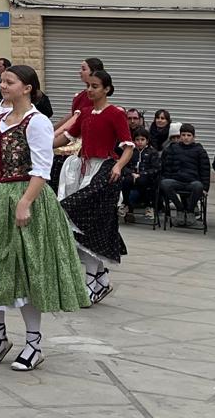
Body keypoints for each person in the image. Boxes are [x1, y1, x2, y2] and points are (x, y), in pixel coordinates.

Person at [0, 64, 87, 374]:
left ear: (27, 88)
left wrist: (25, 202)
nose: (3, 85)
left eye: (9, 81)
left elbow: (42, 167)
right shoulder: (0, 118)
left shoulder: (36, 122)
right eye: (2, 81)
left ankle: (33, 344)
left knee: (26, 271)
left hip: (26, 197)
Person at [52, 68, 131, 303]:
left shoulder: (116, 113)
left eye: (95, 86)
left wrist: (118, 167)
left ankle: (93, 281)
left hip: (103, 172)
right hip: (81, 170)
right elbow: (67, 136)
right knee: (77, 226)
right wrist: (42, 145)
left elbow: (127, 147)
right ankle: (98, 280)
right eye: (89, 85)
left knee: (80, 218)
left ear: (106, 88)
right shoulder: (85, 112)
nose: (90, 89)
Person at [159, 122, 212, 223]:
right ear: (180, 136)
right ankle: (180, 209)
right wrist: (167, 177)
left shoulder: (200, 151)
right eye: (183, 135)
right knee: (164, 183)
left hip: (192, 182)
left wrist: (205, 188)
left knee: (198, 186)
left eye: (189, 135)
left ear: (194, 137)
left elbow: (205, 170)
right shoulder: (173, 149)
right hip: (177, 181)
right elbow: (167, 166)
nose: (186, 138)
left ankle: (190, 211)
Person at [121, 131, 161, 222]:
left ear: (147, 141)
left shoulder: (152, 152)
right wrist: (131, 173)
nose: (140, 142)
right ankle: (126, 204)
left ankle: (149, 206)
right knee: (125, 181)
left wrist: (142, 174)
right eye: (137, 140)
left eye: (142, 139)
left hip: (146, 177)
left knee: (143, 182)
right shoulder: (130, 152)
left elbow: (156, 168)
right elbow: (123, 166)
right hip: (132, 176)